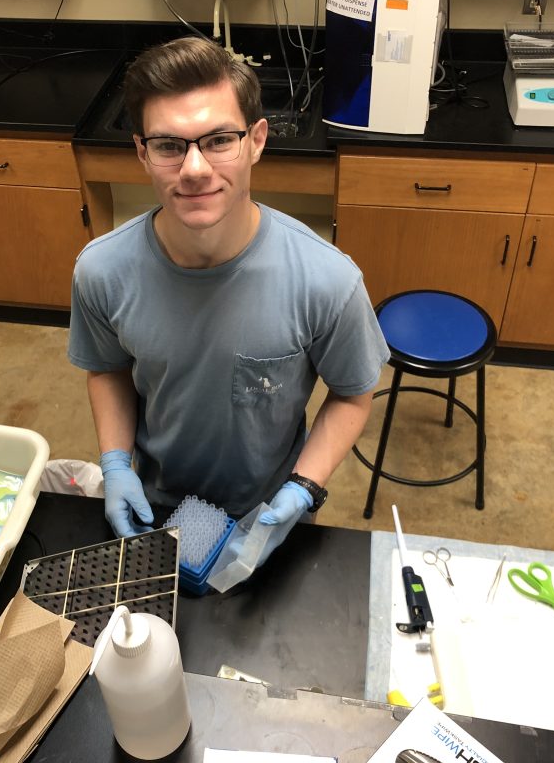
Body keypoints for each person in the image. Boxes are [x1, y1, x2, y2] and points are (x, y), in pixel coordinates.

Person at [68, 36, 389, 546]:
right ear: (141, 153)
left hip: (267, 510)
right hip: (157, 505)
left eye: (219, 140)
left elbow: (353, 395)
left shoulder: (327, 280)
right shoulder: (102, 271)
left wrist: (304, 488)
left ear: (256, 141)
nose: (195, 170)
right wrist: (114, 464)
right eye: (169, 146)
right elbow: (107, 367)